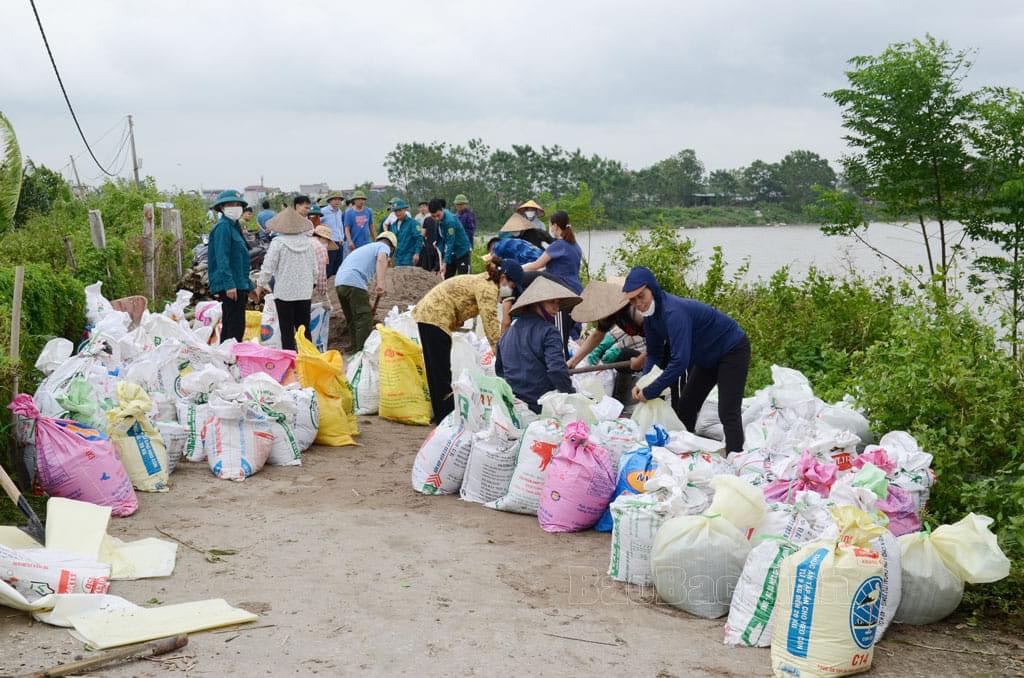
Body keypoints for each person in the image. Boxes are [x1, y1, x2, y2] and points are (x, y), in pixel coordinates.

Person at [623, 266, 751, 453]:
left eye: (641, 296)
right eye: (633, 300)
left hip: (731, 349)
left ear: (652, 288)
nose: (638, 303)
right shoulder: (650, 317)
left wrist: (651, 391)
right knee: (687, 406)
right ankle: (685, 453)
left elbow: (679, 362)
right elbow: (654, 354)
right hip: (706, 357)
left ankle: (735, 460)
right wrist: (644, 382)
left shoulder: (673, 313)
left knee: (727, 411)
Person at [413, 258, 524, 424]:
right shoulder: (488, 288)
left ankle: (440, 412)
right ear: (503, 278)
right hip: (435, 316)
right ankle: (444, 417)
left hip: (430, 315)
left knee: (436, 368)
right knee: (440, 370)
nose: (511, 290)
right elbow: (490, 322)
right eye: (512, 286)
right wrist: (499, 353)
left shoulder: (485, 280)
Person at [496, 277, 580, 413]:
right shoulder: (549, 331)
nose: (556, 308)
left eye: (558, 303)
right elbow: (557, 371)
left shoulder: (508, 333)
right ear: (537, 303)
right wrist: (571, 393)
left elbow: (500, 371)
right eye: (552, 302)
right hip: (540, 405)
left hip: (514, 405)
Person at [255, 208, 317, 351]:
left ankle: (290, 359)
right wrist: (310, 284)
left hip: (284, 293)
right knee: (304, 328)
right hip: (304, 292)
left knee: (287, 329)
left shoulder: (278, 243)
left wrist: (260, 285)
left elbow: (268, 267)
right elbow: (315, 269)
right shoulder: (308, 243)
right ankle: (307, 357)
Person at [521, 210, 583, 353]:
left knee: (561, 333)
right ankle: (581, 359)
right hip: (576, 290)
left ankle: (562, 364)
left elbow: (537, 265)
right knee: (573, 332)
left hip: (561, 292)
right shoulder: (575, 245)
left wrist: (519, 270)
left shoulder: (558, 245)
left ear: (555, 226)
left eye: (550, 225)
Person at [336, 231, 396, 352]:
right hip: (353, 282)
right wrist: (381, 283)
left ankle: (354, 347)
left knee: (353, 318)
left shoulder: (367, 248)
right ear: (392, 247)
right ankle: (363, 351)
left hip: (340, 283)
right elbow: (380, 260)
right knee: (364, 318)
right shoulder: (384, 247)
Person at [568, 280, 646, 372]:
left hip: (661, 345)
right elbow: (596, 336)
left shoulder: (633, 310)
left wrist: (640, 360)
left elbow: (659, 337)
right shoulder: (609, 316)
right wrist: (573, 362)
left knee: (624, 355)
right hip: (653, 348)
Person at [207, 190, 253, 343]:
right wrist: (229, 284)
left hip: (239, 282)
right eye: (230, 204)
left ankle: (227, 357)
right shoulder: (223, 227)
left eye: (237, 204)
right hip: (231, 284)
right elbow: (222, 257)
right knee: (235, 325)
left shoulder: (234, 226)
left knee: (233, 323)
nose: (234, 207)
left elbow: (240, 259)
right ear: (221, 208)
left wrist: (249, 285)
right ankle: (229, 358)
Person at [429, 198, 471, 279]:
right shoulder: (439, 220)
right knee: (446, 278)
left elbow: (450, 242)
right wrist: (438, 244)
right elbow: (441, 238)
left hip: (461, 251)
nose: (436, 218)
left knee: (463, 279)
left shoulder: (449, 221)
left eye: (438, 215)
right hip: (451, 253)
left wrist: (444, 263)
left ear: (442, 210)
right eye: (433, 216)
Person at [321, 192, 347, 276]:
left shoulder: (339, 211)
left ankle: (334, 286)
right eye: (335, 199)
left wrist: (342, 238)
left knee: (338, 266)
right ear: (330, 200)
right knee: (329, 267)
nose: (337, 201)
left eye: (339, 199)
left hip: (340, 242)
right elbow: (317, 224)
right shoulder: (324, 211)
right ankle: (327, 286)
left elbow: (340, 226)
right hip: (330, 242)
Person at [390, 199, 422, 266]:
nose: (398, 213)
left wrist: (417, 253)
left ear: (405, 210)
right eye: (396, 211)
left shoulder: (413, 223)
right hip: (397, 257)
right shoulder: (393, 225)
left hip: (409, 257)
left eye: (400, 210)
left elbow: (419, 238)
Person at [311, 224, 336, 298]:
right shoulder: (321, 247)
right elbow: (321, 272)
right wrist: (322, 290)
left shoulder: (307, 240)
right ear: (324, 238)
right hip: (310, 278)